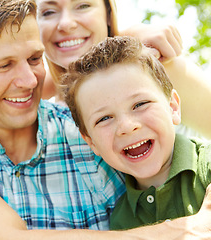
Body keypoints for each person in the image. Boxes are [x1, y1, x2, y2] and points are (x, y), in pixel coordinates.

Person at [0, 0, 211, 239]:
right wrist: (185, 230)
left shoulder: (89, 127)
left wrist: (129, 37)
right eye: (4, 65)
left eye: (35, 59)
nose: (28, 80)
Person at [62, 35, 211, 231]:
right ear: (91, 142)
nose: (126, 126)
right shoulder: (120, 222)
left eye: (140, 104)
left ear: (172, 107)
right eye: (104, 118)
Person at [36, 0, 211, 139]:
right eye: (48, 12)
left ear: (108, 15)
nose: (65, 24)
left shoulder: (160, 68)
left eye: (83, 5)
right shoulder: (44, 107)